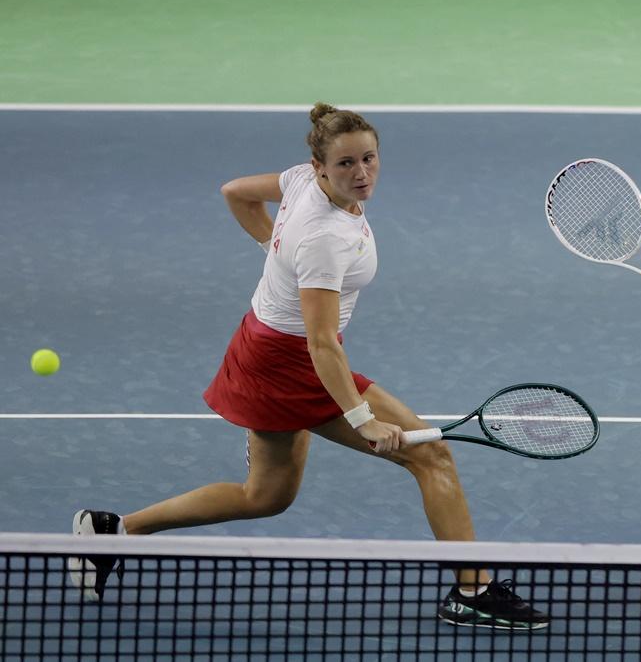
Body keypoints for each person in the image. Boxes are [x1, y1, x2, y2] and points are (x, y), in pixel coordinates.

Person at [69, 102, 548, 630]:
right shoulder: (324, 240)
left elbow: (236, 191)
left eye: (369, 159)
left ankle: (114, 531)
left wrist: (274, 247)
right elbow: (322, 345)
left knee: (266, 496)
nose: (361, 173)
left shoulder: (301, 182)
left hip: (264, 345)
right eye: (346, 164)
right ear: (321, 167)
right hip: (289, 361)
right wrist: (364, 419)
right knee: (431, 457)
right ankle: (471, 590)